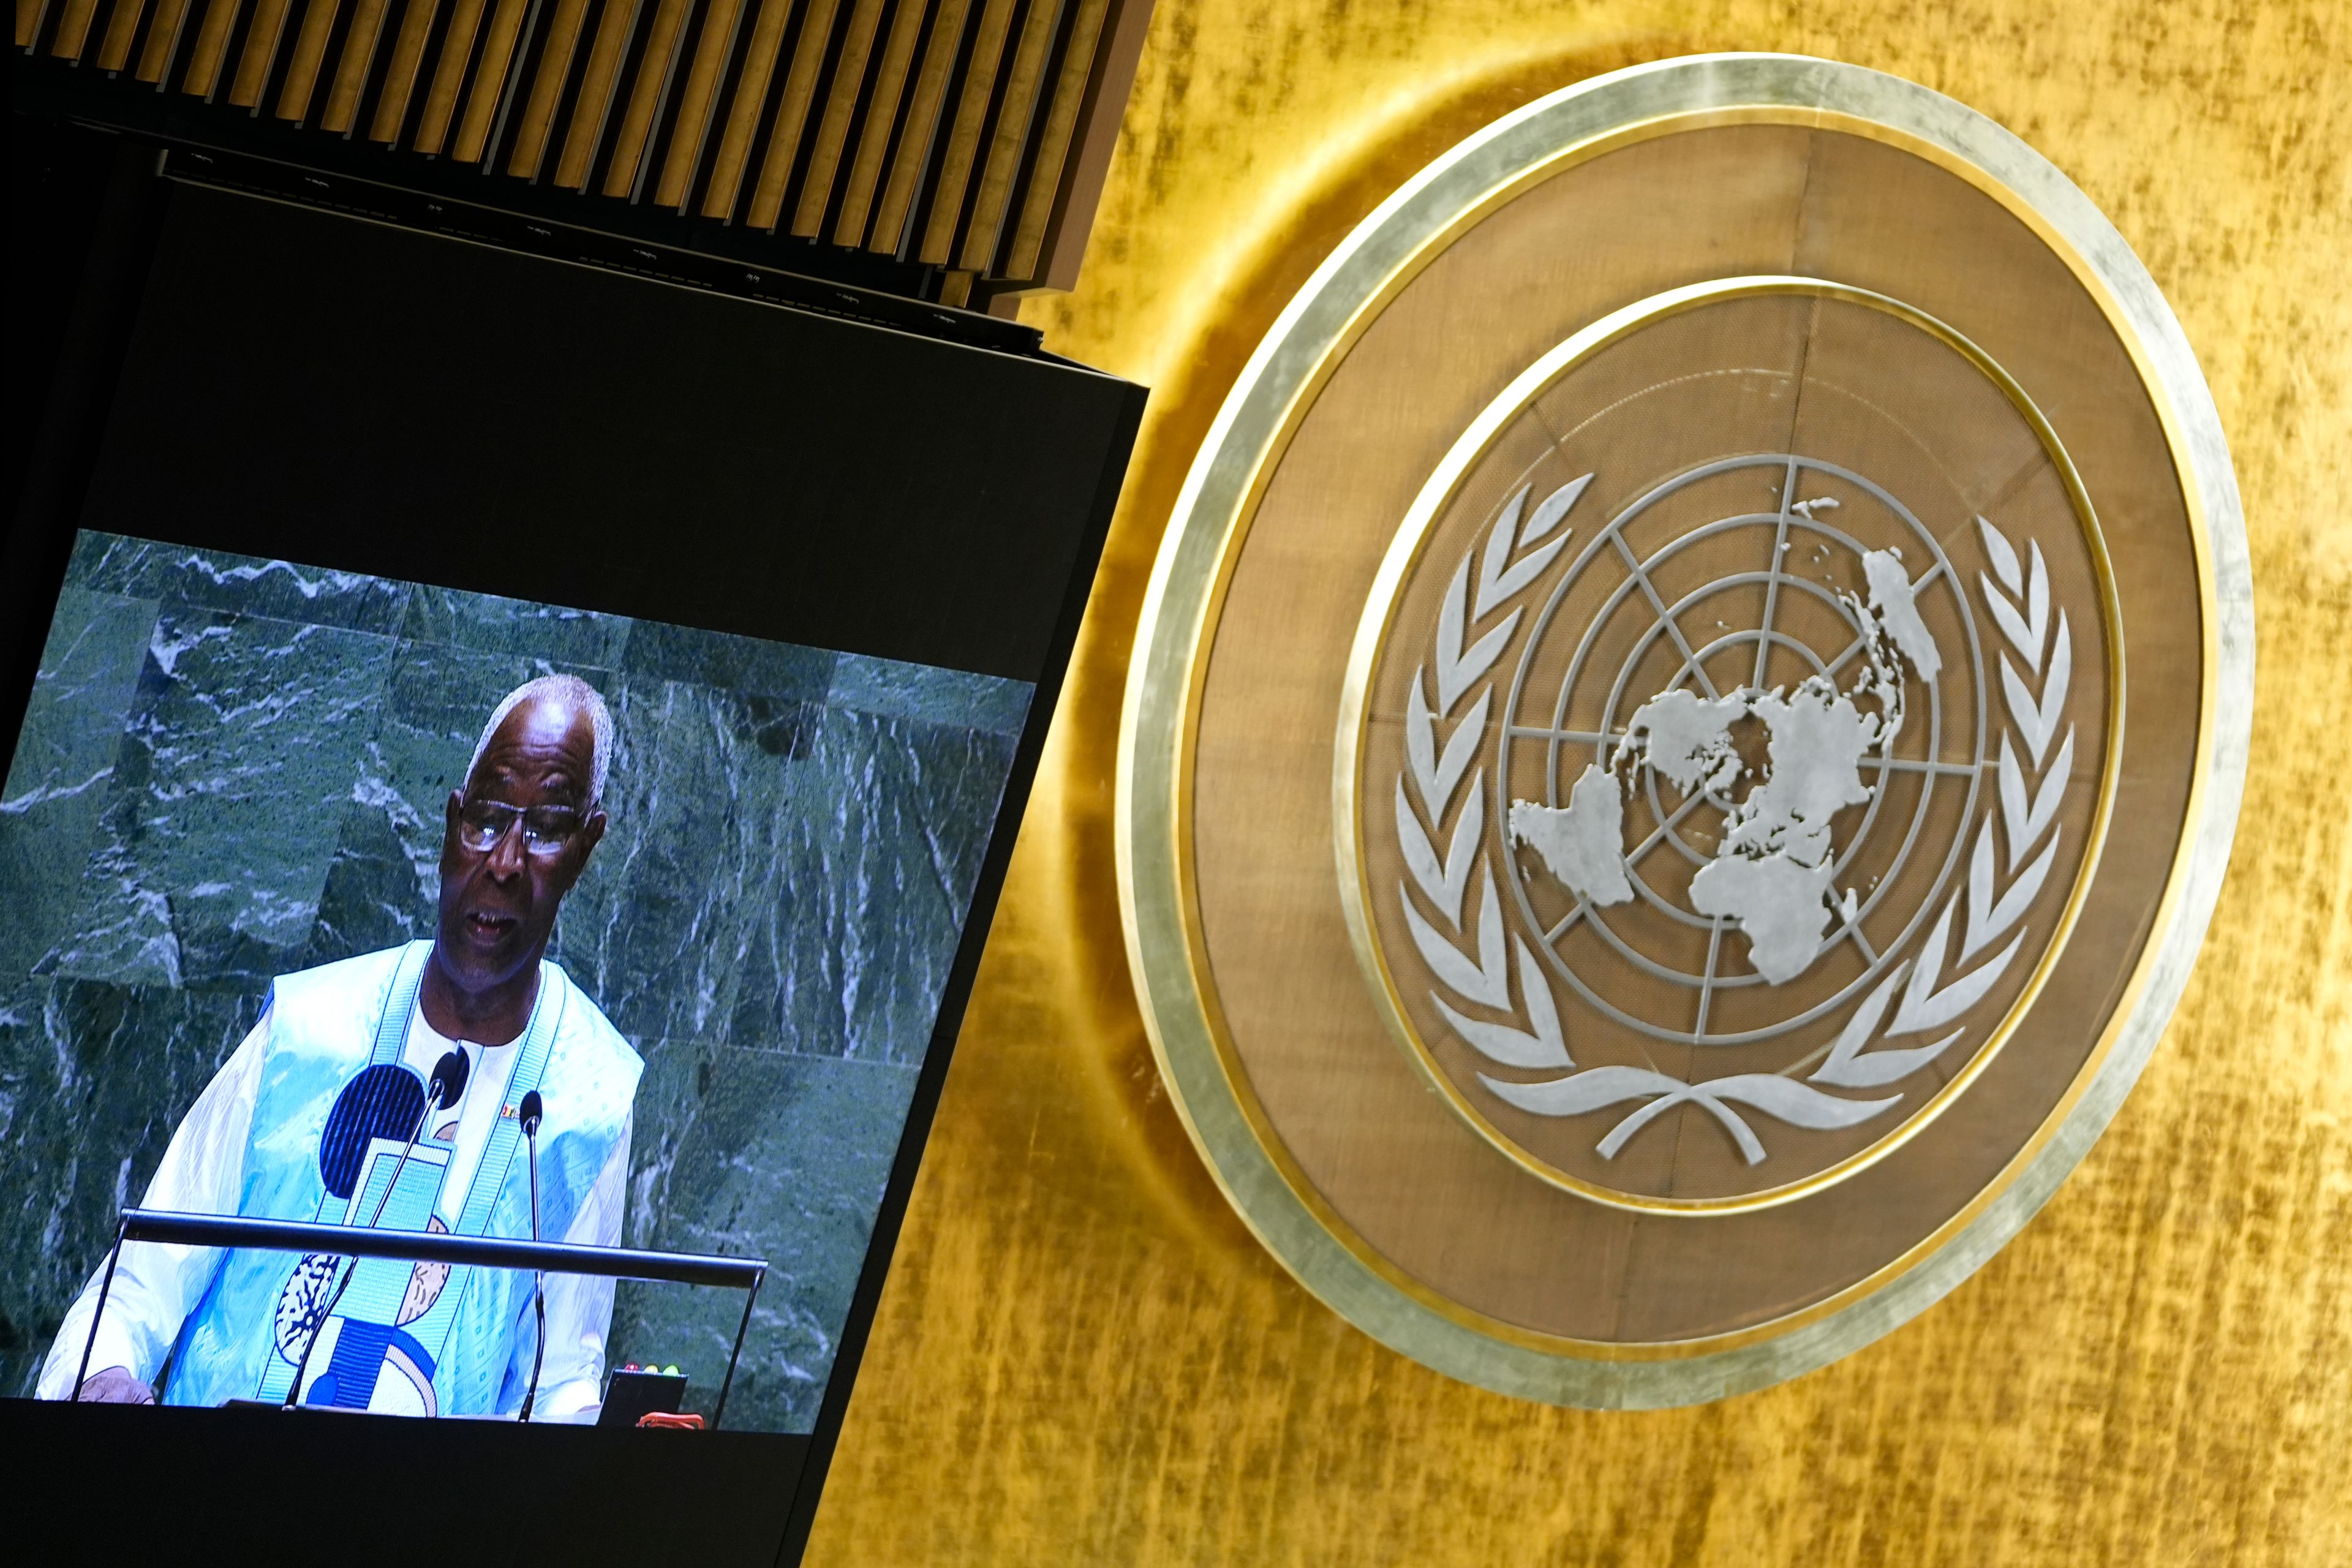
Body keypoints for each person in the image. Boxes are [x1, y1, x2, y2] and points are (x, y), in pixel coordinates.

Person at [37, 675, 642, 1420]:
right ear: (452, 825)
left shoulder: (592, 1095)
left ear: (587, 847)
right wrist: (104, 1380)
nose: (506, 861)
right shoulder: (311, 1027)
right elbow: (141, 1279)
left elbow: (561, 1386)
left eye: (546, 828)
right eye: (486, 820)